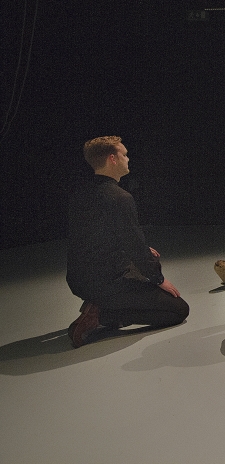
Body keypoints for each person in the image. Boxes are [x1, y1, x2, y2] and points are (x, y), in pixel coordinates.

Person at [66, 136, 189, 348]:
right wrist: (159, 279)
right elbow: (135, 245)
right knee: (178, 310)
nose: (128, 159)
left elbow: (94, 238)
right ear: (112, 159)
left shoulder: (80, 194)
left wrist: (143, 253)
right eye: (124, 154)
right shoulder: (119, 197)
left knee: (146, 260)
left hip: (79, 281)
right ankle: (101, 314)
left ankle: (101, 304)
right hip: (106, 283)